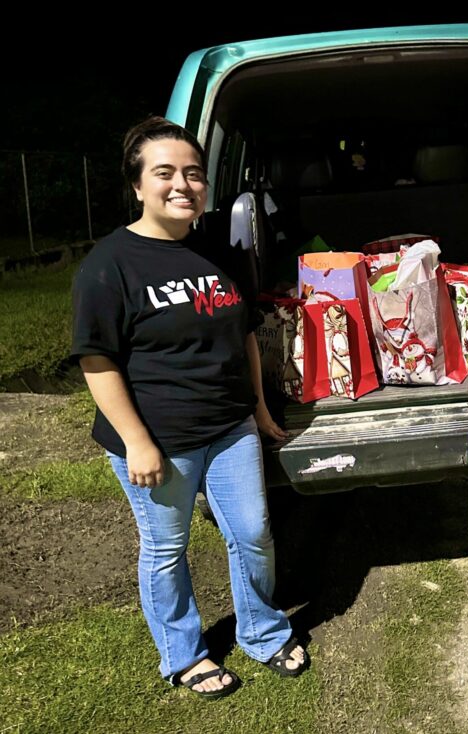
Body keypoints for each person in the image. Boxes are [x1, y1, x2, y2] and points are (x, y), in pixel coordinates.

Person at [71, 116, 308, 700]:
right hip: (161, 437)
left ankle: (261, 632)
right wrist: (136, 441)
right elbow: (97, 363)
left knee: (253, 533)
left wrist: (255, 408)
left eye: (193, 174)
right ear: (137, 184)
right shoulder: (109, 265)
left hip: (230, 428)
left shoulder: (218, 250)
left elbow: (246, 334)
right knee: (166, 549)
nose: (183, 184)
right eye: (165, 173)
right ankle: (183, 655)